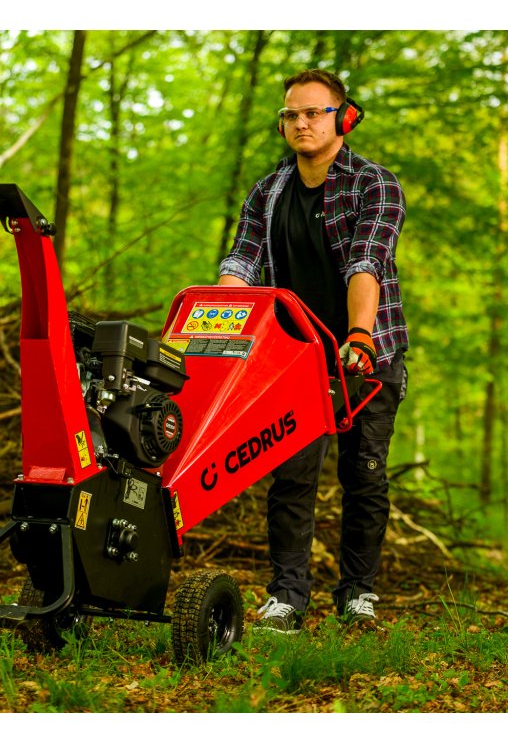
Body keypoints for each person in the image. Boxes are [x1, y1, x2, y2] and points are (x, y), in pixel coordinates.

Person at [218, 68, 408, 633]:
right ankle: (287, 597)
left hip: (366, 353)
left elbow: (367, 262)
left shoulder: (374, 184)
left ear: (343, 118)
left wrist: (358, 336)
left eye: (313, 113)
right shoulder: (267, 192)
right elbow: (241, 263)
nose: (301, 123)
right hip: (296, 358)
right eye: (291, 115)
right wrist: (220, 327)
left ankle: (357, 595)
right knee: (292, 477)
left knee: (364, 475)